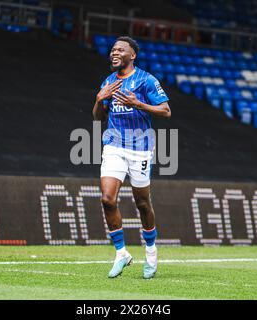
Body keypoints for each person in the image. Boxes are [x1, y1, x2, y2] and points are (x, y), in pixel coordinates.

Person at [92, 36, 171, 279]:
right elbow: (98, 120)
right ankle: (121, 253)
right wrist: (98, 99)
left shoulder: (146, 80)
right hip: (114, 145)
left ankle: (151, 251)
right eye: (112, 50)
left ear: (132, 55)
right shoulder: (108, 82)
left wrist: (139, 104)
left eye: (120, 50)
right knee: (107, 199)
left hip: (140, 148)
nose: (114, 53)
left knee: (142, 203)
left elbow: (166, 111)